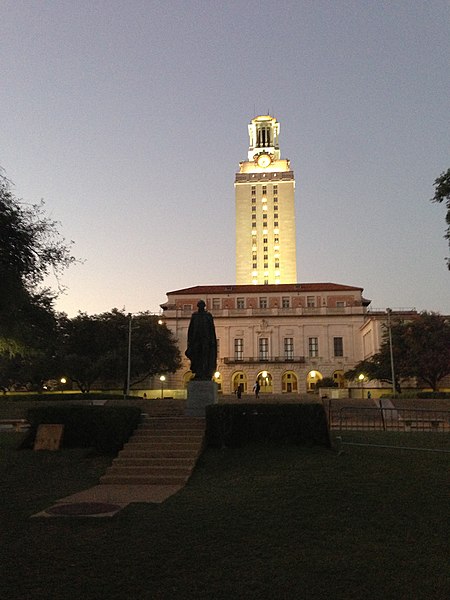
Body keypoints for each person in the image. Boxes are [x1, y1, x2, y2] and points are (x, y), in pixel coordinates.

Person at [185, 300, 217, 381]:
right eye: (200, 305)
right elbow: (191, 329)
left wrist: (212, 341)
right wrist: (190, 342)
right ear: (198, 306)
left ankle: (205, 373)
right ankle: (198, 373)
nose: (201, 307)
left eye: (202, 305)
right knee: (197, 357)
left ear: (204, 306)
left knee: (205, 357)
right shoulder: (194, 316)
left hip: (206, 340)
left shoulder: (208, 316)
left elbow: (212, 329)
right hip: (196, 340)